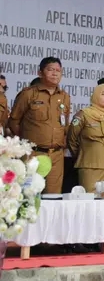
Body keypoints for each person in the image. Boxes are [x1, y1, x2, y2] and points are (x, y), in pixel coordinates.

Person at [7, 57, 70, 193]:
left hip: (56, 156)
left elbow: (64, 124)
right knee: (30, 194)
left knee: (53, 196)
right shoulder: (28, 94)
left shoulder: (64, 97)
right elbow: (14, 121)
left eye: (58, 70)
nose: (55, 73)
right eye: (50, 70)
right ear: (40, 73)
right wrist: (28, 140)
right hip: (33, 153)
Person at [67, 83, 104, 192]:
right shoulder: (83, 114)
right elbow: (71, 139)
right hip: (90, 164)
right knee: (90, 196)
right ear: (96, 95)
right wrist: (83, 154)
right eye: (103, 94)